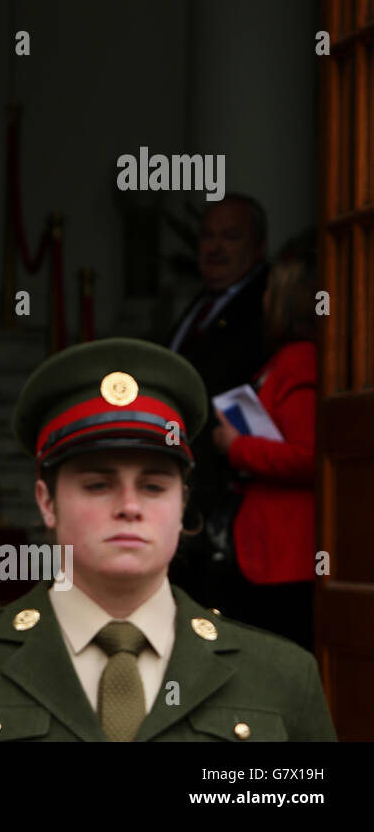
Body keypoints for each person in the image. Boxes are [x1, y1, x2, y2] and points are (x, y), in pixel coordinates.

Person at [0, 338, 336, 741]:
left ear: (183, 505)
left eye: (154, 487)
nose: (129, 505)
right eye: (98, 485)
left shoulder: (281, 676)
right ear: (46, 502)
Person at [211, 237, 319, 650]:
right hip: (267, 551)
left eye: (271, 291)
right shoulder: (286, 359)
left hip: (284, 557)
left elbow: (309, 456)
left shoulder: (300, 361)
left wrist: (235, 446)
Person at [166, 194, 270, 617]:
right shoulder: (201, 302)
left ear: (258, 248)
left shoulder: (264, 303)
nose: (214, 247)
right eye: (208, 235)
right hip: (188, 485)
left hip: (231, 497)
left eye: (230, 236)